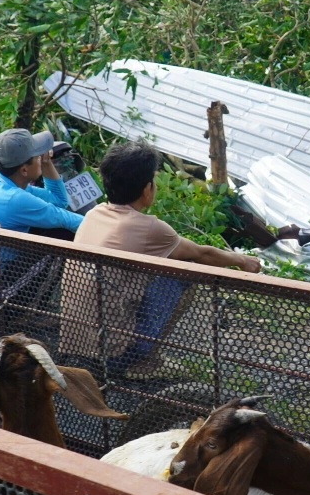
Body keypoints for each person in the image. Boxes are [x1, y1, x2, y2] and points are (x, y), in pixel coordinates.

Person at [71, 140, 261, 378]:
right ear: (147, 189)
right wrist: (242, 260)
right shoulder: (149, 227)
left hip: (75, 342)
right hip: (113, 354)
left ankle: (139, 353)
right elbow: (202, 254)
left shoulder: (93, 214)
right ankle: (143, 361)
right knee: (185, 273)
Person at [0, 129, 83, 316]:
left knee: (53, 228)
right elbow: (72, 221)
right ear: (24, 169)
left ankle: (31, 307)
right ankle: (30, 314)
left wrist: (45, 163)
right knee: (62, 235)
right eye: (37, 156)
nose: (41, 157)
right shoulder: (14, 198)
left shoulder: (0, 185)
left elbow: (59, 201)